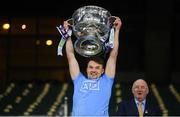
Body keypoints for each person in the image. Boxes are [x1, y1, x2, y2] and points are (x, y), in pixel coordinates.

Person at [64, 17, 122, 116]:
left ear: (103, 70)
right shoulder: (78, 80)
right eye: (91, 67)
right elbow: (70, 56)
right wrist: (67, 34)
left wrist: (117, 31)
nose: (93, 70)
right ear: (86, 69)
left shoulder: (107, 81)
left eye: (97, 68)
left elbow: (113, 56)